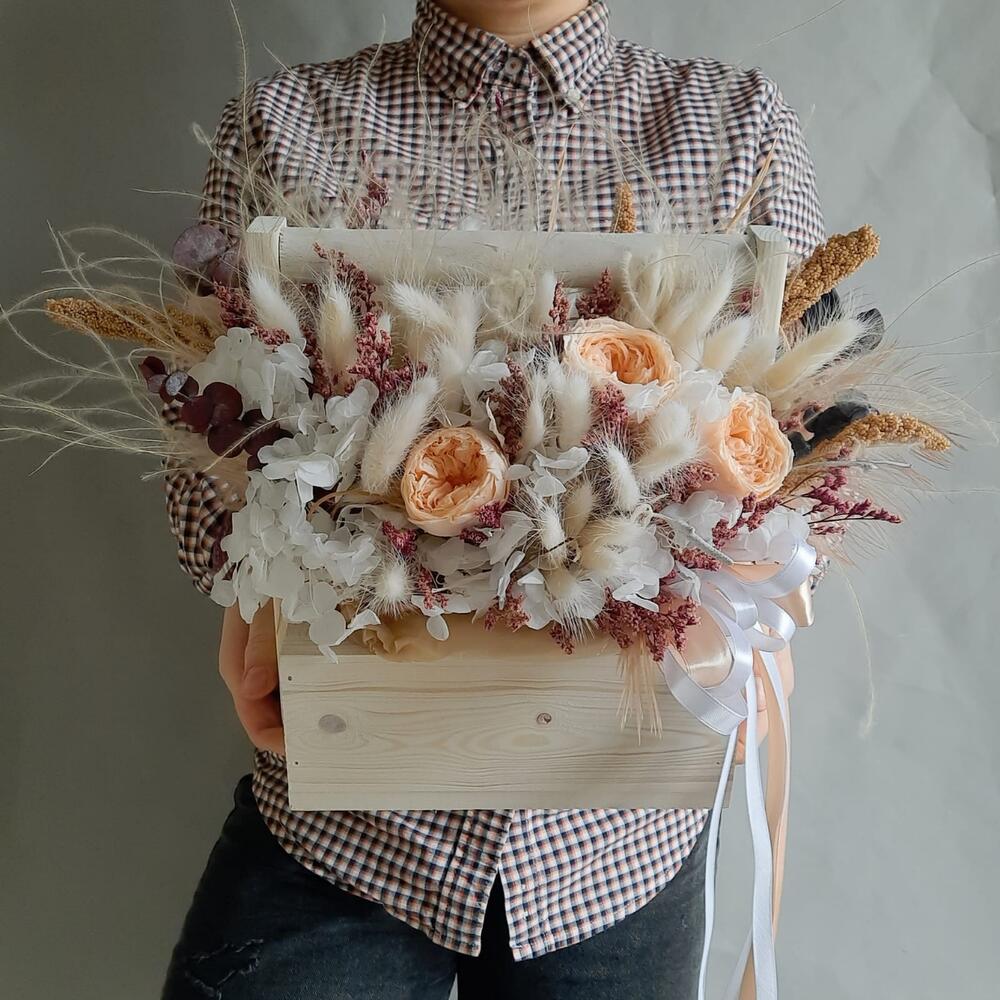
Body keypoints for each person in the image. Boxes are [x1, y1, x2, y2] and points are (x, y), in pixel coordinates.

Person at [161, 2, 824, 997]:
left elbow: (800, 443)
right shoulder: (286, 122)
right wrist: (248, 580)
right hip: (350, 832)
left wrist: (755, 607)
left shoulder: (735, 127)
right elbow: (203, 445)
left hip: (616, 849)